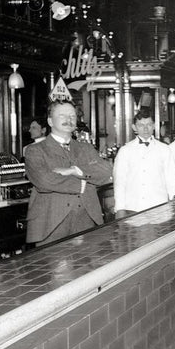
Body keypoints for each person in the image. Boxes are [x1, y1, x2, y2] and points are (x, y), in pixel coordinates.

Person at [24, 100, 113, 246]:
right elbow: (44, 181)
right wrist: (84, 183)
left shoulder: (86, 148)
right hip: (51, 223)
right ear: (50, 121)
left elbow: (105, 172)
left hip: (87, 221)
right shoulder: (35, 150)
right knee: (53, 266)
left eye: (72, 115)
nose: (68, 119)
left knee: (87, 267)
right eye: (62, 116)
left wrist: (75, 170)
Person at [114, 109, 175, 217]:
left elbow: (171, 178)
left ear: (154, 126)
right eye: (141, 125)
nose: (145, 128)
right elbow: (119, 182)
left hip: (159, 206)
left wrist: (174, 203)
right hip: (133, 207)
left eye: (149, 124)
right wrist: (119, 208)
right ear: (134, 127)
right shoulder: (125, 150)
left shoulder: (164, 149)